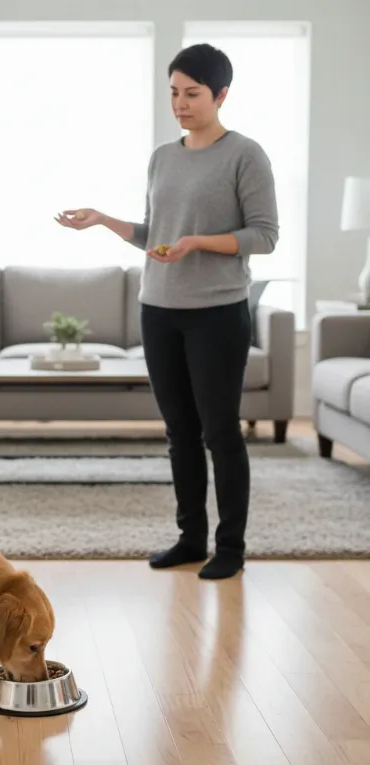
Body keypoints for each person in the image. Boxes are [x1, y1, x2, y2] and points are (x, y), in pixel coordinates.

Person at [55, 43, 278, 580]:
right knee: (179, 430)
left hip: (217, 313)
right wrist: (105, 220)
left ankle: (231, 547)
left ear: (221, 95)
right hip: (158, 309)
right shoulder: (163, 156)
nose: (180, 103)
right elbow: (156, 236)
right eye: (174, 93)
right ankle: (190, 538)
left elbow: (264, 237)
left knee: (220, 432)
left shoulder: (245, 155)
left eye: (192, 94)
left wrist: (197, 242)